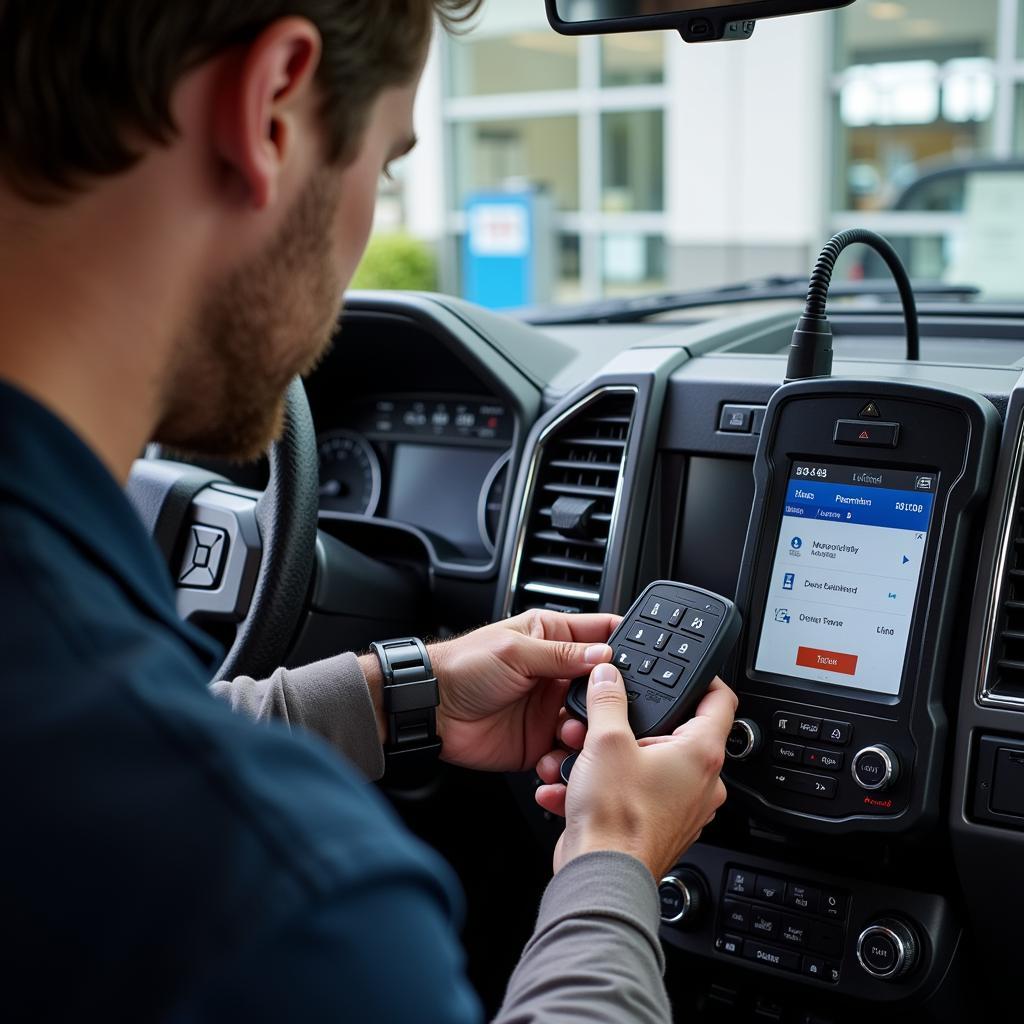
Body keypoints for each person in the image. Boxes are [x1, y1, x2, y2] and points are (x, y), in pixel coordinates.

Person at [0, 2, 737, 1020]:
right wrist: (610, 864)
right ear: (273, 108)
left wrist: (404, 694)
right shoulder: (280, 900)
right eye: (385, 168)